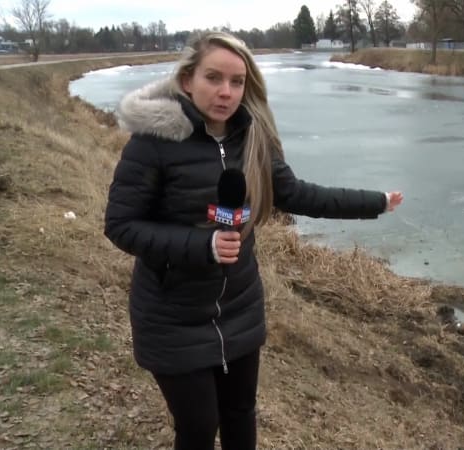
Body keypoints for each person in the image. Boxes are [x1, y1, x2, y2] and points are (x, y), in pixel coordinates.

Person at [103, 32, 403, 450]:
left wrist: (376, 202)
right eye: (214, 78)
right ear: (188, 80)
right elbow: (120, 225)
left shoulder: (252, 138)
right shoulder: (152, 144)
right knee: (199, 426)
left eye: (237, 82)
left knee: (240, 414)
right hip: (173, 318)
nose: (226, 92)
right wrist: (202, 247)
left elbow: (296, 194)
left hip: (240, 309)